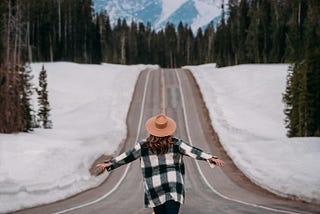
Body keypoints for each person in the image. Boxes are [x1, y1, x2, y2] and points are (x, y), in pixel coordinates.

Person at [95, 114, 224, 214]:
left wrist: (110, 163)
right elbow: (193, 151)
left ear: (152, 130)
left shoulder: (143, 145)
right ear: (169, 130)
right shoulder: (176, 143)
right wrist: (210, 158)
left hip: (154, 186)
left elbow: (127, 156)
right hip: (174, 184)